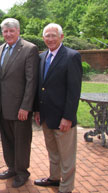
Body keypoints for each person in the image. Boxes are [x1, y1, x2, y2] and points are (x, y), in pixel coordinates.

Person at [33, 23, 82, 193]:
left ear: (61, 37)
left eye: (54, 35)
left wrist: (68, 117)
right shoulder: (42, 57)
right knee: (53, 152)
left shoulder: (71, 56)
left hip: (63, 118)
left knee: (67, 157)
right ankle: (54, 178)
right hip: (46, 116)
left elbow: (74, 91)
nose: (50, 39)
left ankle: (66, 188)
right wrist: (37, 110)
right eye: (47, 35)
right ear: (43, 38)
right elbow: (41, 86)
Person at [0, 18, 39, 188]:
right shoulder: (0, 49)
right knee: (7, 140)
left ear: (18, 31)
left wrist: (26, 106)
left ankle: (22, 172)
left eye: (11, 31)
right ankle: (12, 167)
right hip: (2, 105)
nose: (8, 34)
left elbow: (31, 81)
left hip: (20, 106)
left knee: (21, 141)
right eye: (5, 31)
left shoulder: (29, 49)